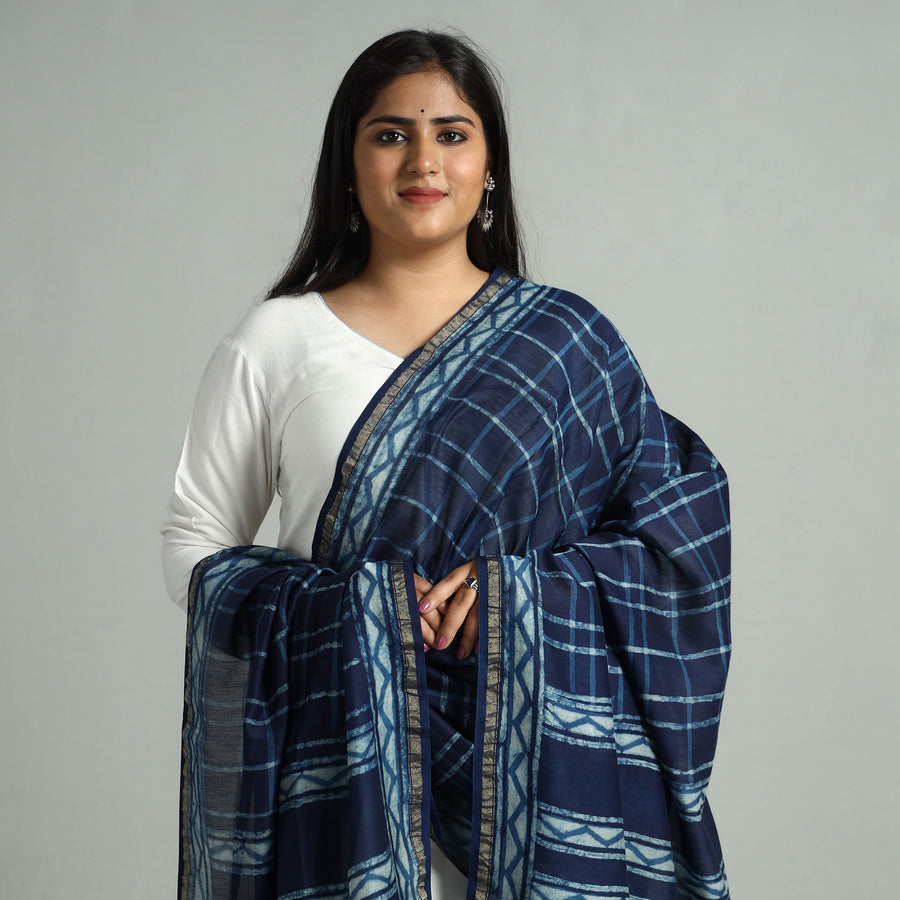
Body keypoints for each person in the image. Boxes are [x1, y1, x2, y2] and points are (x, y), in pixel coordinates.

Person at [162, 29, 731, 900]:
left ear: (489, 166)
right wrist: (356, 613)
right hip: (343, 767)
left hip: (540, 781)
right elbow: (194, 543)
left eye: (452, 134)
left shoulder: (566, 346)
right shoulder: (277, 339)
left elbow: (675, 542)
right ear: (348, 164)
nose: (423, 160)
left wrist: (516, 597)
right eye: (390, 134)